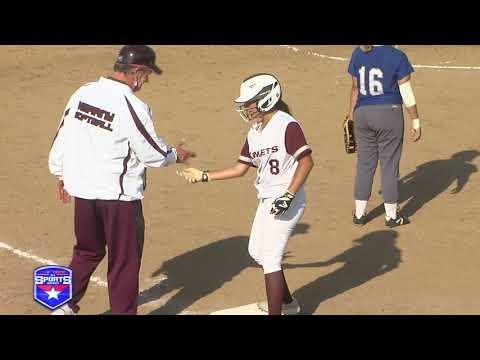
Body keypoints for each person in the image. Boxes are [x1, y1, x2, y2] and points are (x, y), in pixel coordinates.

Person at [48, 45, 195, 315]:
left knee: (86, 251)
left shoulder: (84, 92)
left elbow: (63, 134)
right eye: (148, 74)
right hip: (118, 199)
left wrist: (61, 174)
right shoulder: (133, 105)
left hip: (83, 192)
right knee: (124, 263)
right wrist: (177, 154)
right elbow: (153, 153)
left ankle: (62, 306)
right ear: (137, 71)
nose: (147, 80)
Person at [178, 73, 314, 315]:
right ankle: (289, 304)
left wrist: (289, 194)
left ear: (267, 99)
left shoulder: (286, 125)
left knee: (270, 259)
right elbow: (240, 168)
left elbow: (306, 162)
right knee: (257, 252)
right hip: (267, 198)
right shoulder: (255, 132)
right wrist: (205, 175)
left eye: (250, 102)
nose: (246, 107)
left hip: (286, 198)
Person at [346, 45, 422, 227]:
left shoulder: (358, 52)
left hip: (362, 114)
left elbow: (355, 88)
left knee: (364, 164)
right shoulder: (397, 55)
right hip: (389, 115)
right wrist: (416, 120)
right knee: (389, 166)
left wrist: (351, 116)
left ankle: (359, 214)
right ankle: (391, 216)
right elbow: (406, 91)